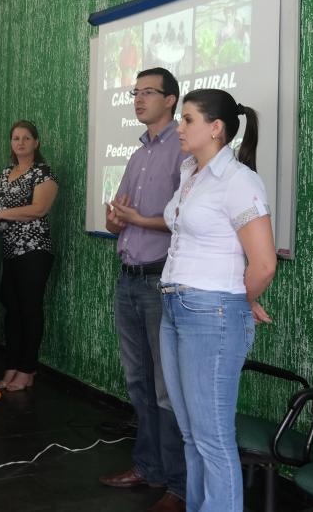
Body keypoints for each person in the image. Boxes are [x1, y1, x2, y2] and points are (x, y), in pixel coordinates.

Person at [159, 89, 275, 512]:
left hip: (210, 313)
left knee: (212, 438)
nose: (179, 127)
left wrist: (239, 301)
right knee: (191, 433)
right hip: (176, 307)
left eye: (187, 119)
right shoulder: (192, 172)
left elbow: (263, 264)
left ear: (215, 128)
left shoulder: (238, 180)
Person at [99, 68, 188, 512]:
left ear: (170, 100)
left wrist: (135, 221)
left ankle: (177, 483)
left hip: (161, 281)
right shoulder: (136, 155)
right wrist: (116, 219)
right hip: (128, 278)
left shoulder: (183, 149)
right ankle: (148, 466)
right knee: (137, 382)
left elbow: (184, 220)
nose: (137, 100)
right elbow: (120, 214)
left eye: (147, 92)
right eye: (135, 93)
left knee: (165, 387)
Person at [0, 120, 58, 392]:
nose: (20, 142)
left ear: (36, 142)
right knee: (12, 311)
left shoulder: (42, 173)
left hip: (34, 250)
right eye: (15, 138)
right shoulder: (5, 173)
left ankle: (27, 370)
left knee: (29, 310)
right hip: (7, 251)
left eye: (26, 138)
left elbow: (38, 210)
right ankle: (12, 365)